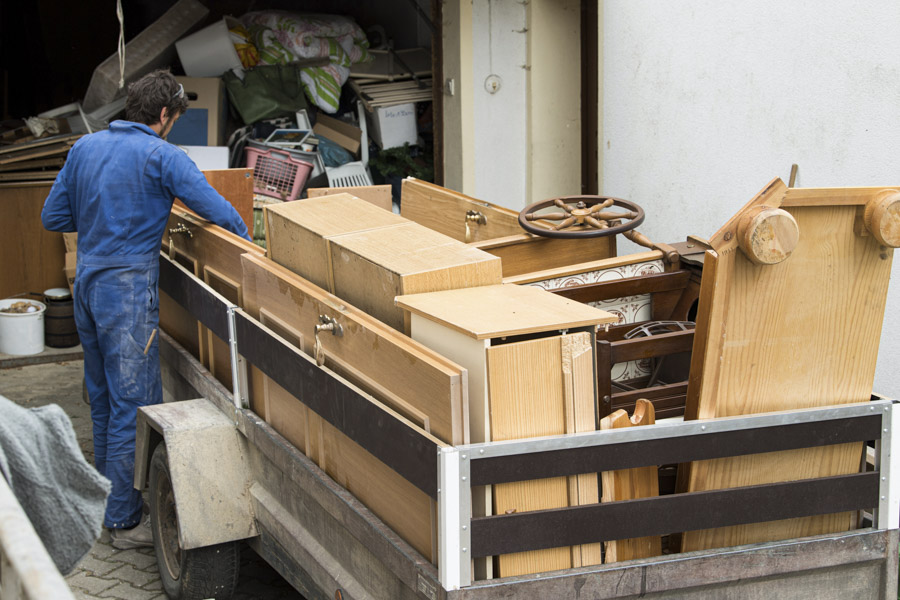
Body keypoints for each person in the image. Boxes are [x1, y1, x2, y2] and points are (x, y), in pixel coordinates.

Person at [41, 69, 250, 549]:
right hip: (127, 292)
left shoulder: (85, 148)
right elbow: (218, 211)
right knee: (132, 405)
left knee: (102, 396)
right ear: (163, 115)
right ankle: (122, 520)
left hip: (88, 287)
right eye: (176, 116)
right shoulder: (163, 156)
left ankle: (102, 501)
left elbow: (53, 216)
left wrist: (99, 214)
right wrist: (252, 248)